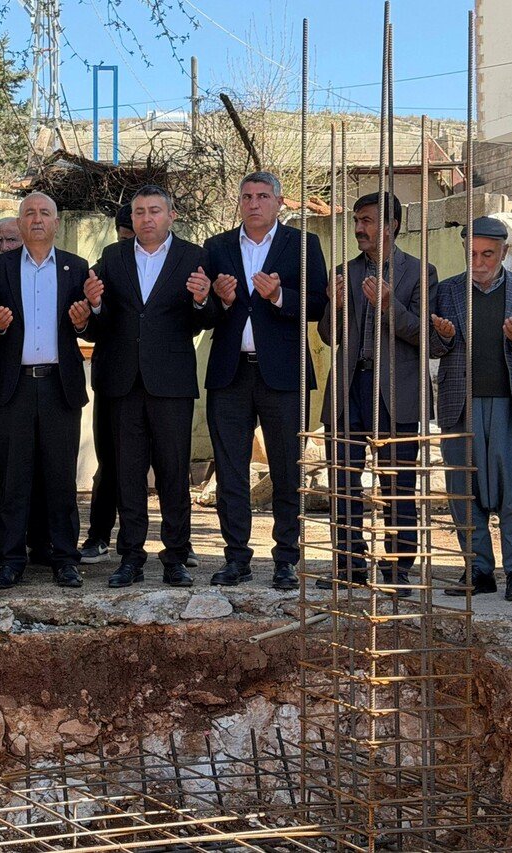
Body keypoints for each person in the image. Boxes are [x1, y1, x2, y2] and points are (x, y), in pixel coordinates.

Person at [201, 171, 328, 591]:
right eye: (247, 197)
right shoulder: (217, 246)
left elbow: (318, 306)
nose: (253, 203)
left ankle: (286, 561)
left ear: (279, 202)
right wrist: (218, 299)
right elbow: (201, 317)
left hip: (283, 375)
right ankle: (236, 557)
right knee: (232, 471)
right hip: (230, 372)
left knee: (287, 470)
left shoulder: (302, 245)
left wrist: (277, 296)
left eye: (262, 196)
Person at [88, 185, 213, 589]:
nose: (146, 218)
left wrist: (201, 300)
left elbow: (207, 318)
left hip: (171, 384)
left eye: (154, 210)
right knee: (127, 473)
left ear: (171, 215)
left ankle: (175, 556)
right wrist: (93, 305)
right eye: (139, 212)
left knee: (174, 474)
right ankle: (131, 558)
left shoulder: (193, 257)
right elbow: (101, 319)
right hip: (123, 383)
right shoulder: (114, 256)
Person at [316, 192, 436, 597]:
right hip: (350, 387)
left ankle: (398, 568)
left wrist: (389, 306)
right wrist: (333, 304)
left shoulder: (421, 273)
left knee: (398, 484)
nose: (358, 229)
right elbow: (330, 336)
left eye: (366, 220)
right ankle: (350, 564)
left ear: (392, 225)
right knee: (344, 482)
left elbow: (428, 337)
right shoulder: (343, 272)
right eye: (356, 220)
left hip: (397, 391)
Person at [0, 192, 92, 589]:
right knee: (13, 477)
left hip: (59, 387)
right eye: (29, 213)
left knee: (61, 477)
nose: (37, 219)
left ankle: (65, 558)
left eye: (45, 212)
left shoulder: (75, 268)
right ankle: (11, 560)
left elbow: (93, 326)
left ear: (56, 222)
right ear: (20, 221)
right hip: (13, 388)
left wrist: (84, 323)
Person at [431, 217, 512, 603]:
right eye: (472, 254)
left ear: (504, 253)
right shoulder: (445, 292)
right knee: (464, 493)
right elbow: (429, 343)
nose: (479, 262)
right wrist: (443, 338)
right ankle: (478, 570)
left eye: (488, 254)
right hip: (460, 405)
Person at [0, 217, 50, 570]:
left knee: (36, 470)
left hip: (39, 388)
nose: (4, 247)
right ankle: (1, 541)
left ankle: (40, 541)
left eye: (11, 240)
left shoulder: (48, 272)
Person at [79, 202, 133, 565]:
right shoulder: (105, 266)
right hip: (113, 380)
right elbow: (89, 321)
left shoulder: (176, 262)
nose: (130, 241)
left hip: (158, 383)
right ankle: (98, 535)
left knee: (167, 465)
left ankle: (179, 545)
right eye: (125, 235)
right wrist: (93, 307)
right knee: (109, 462)